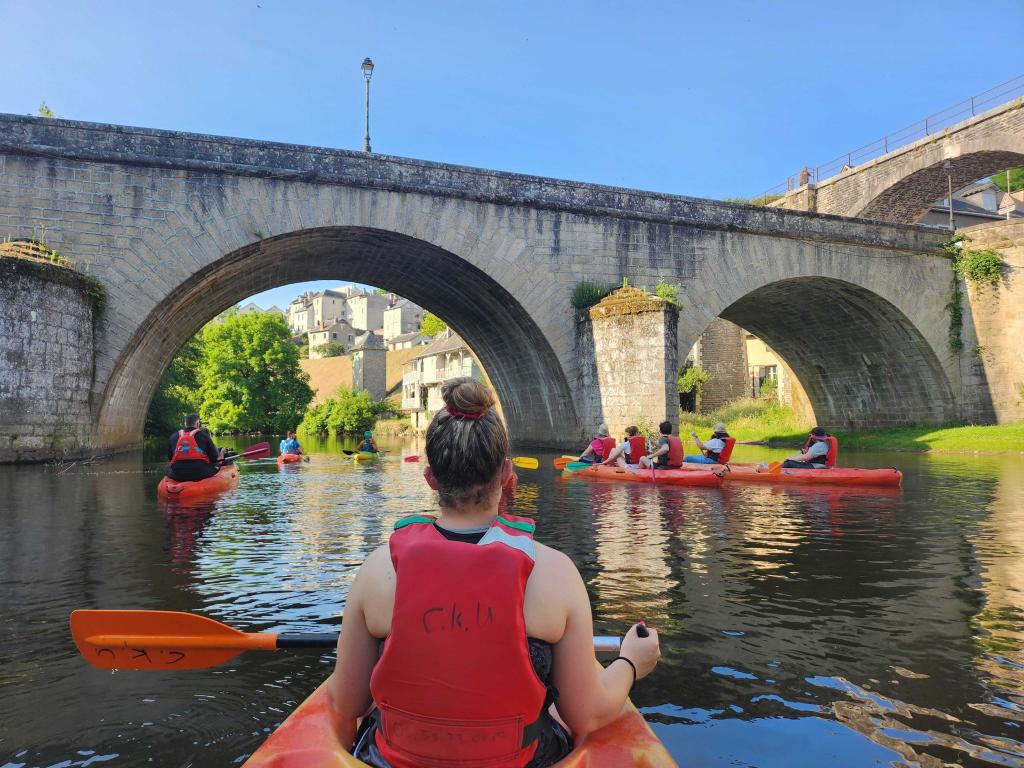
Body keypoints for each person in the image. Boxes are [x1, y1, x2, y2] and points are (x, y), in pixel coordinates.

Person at [328, 377, 661, 768]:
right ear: (506, 474)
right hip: (525, 758)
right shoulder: (555, 571)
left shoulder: (377, 569)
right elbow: (587, 713)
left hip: (392, 758)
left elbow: (348, 702)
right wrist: (630, 664)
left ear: (431, 478)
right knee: (553, 703)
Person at [165, 413, 228, 481]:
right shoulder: (204, 436)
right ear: (198, 424)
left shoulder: (173, 436)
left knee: (167, 468)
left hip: (177, 474)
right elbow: (214, 458)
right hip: (200, 474)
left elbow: (171, 458)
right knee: (216, 464)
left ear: (185, 424)